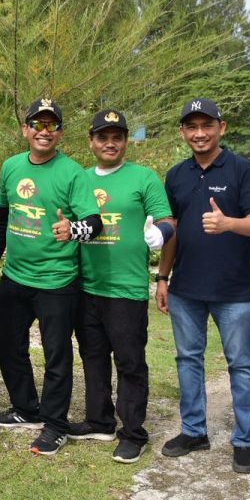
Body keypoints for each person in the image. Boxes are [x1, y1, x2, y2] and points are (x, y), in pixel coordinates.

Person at [0, 98, 102, 457]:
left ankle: (56, 425)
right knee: (6, 345)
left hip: (57, 280)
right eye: (38, 124)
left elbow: (95, 224)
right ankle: (26, 409)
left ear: (60, 133)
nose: (44, 132)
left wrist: (72, 228)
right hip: (16, 277)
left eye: (52, 125)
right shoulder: (11, 167)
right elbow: (1, 217)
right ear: (25, 129)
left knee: (56, 356)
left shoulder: (73, 172)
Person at [156, 98, 250, 474]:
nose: (199, 133)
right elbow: (171, 231)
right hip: (186, 289)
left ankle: (244, 440)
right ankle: (193, 431)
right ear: (183, 132)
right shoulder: (176, 175)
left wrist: (228, 224)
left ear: (222, 127)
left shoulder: (243, 169)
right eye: (191, 127)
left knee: (241, 364)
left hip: (232, 290)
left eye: (207, 125)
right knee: (188, 360)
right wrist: (163, 277)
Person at [75, 109, 176, 463]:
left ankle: (133, 431)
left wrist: (158, 234)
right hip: (87, 286)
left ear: (125, 141)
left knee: (130, 362)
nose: (110, 143)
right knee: (92, 357)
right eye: (102, 137)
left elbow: (167, 220)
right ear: (91, 141)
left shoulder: (143, 177)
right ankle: (99, 420)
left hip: (126, 288)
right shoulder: (80, 178)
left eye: (117, 137)